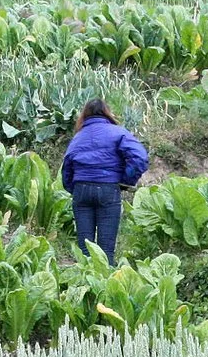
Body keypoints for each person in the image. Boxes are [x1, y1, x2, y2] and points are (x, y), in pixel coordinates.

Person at [59, 98, 148, 262]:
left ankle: (82, 285)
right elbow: (140, 158)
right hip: (108, 189)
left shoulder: (78, 137)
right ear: (107, 113)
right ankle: (105, 285)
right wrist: (126, 179)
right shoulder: (118, 132)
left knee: (85, 251)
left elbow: (66, 169)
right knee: (106, 251)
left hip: (82, 190)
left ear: (84, 115)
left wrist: (76, 189)